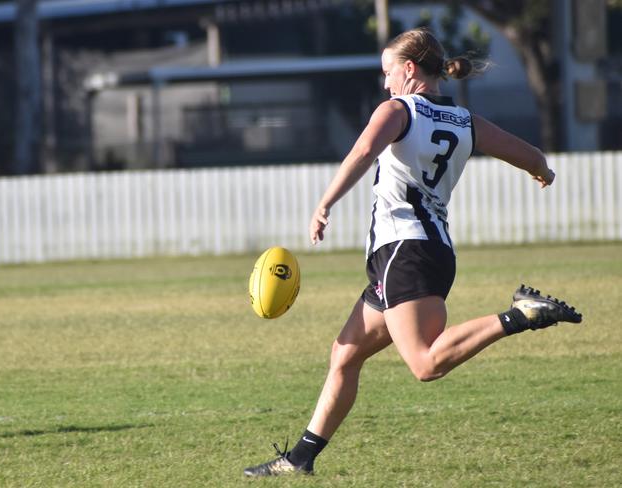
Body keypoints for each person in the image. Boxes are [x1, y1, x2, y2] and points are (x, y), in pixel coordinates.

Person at [243, 28, 582, 477]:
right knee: (345, 354)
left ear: (408, 70)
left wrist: (324, 204)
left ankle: (519, 315)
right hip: (428, 251)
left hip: (405, 249)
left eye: (388, 73)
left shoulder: (398, 109)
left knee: (425, 363)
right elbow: (529, 154)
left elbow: (365, 149)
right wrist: (542, 170)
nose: (385, 84)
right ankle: (300, 459)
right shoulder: (466, 120)